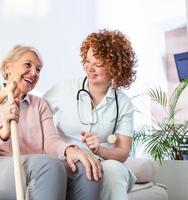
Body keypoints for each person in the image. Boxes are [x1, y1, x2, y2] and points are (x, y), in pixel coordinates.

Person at [0, 45, 101, 200]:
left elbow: (51, 143)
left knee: (86, 167)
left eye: (38, 70)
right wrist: (3, 131)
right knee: (49, 166)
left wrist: (70, 150)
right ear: (7, 67)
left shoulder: (39, 105)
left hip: (29, 166)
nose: (34, 73)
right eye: (28, 65)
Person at [44, 29, 138, 200]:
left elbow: (123, 152)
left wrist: (99, 149)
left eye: (98, 64)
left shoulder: (123, 104)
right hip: (68, 160)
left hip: (104, 163)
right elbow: (38, 114)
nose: (90, 68)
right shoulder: (65, 89)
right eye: (87, 61)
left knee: (113, 172)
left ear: (115, 66)